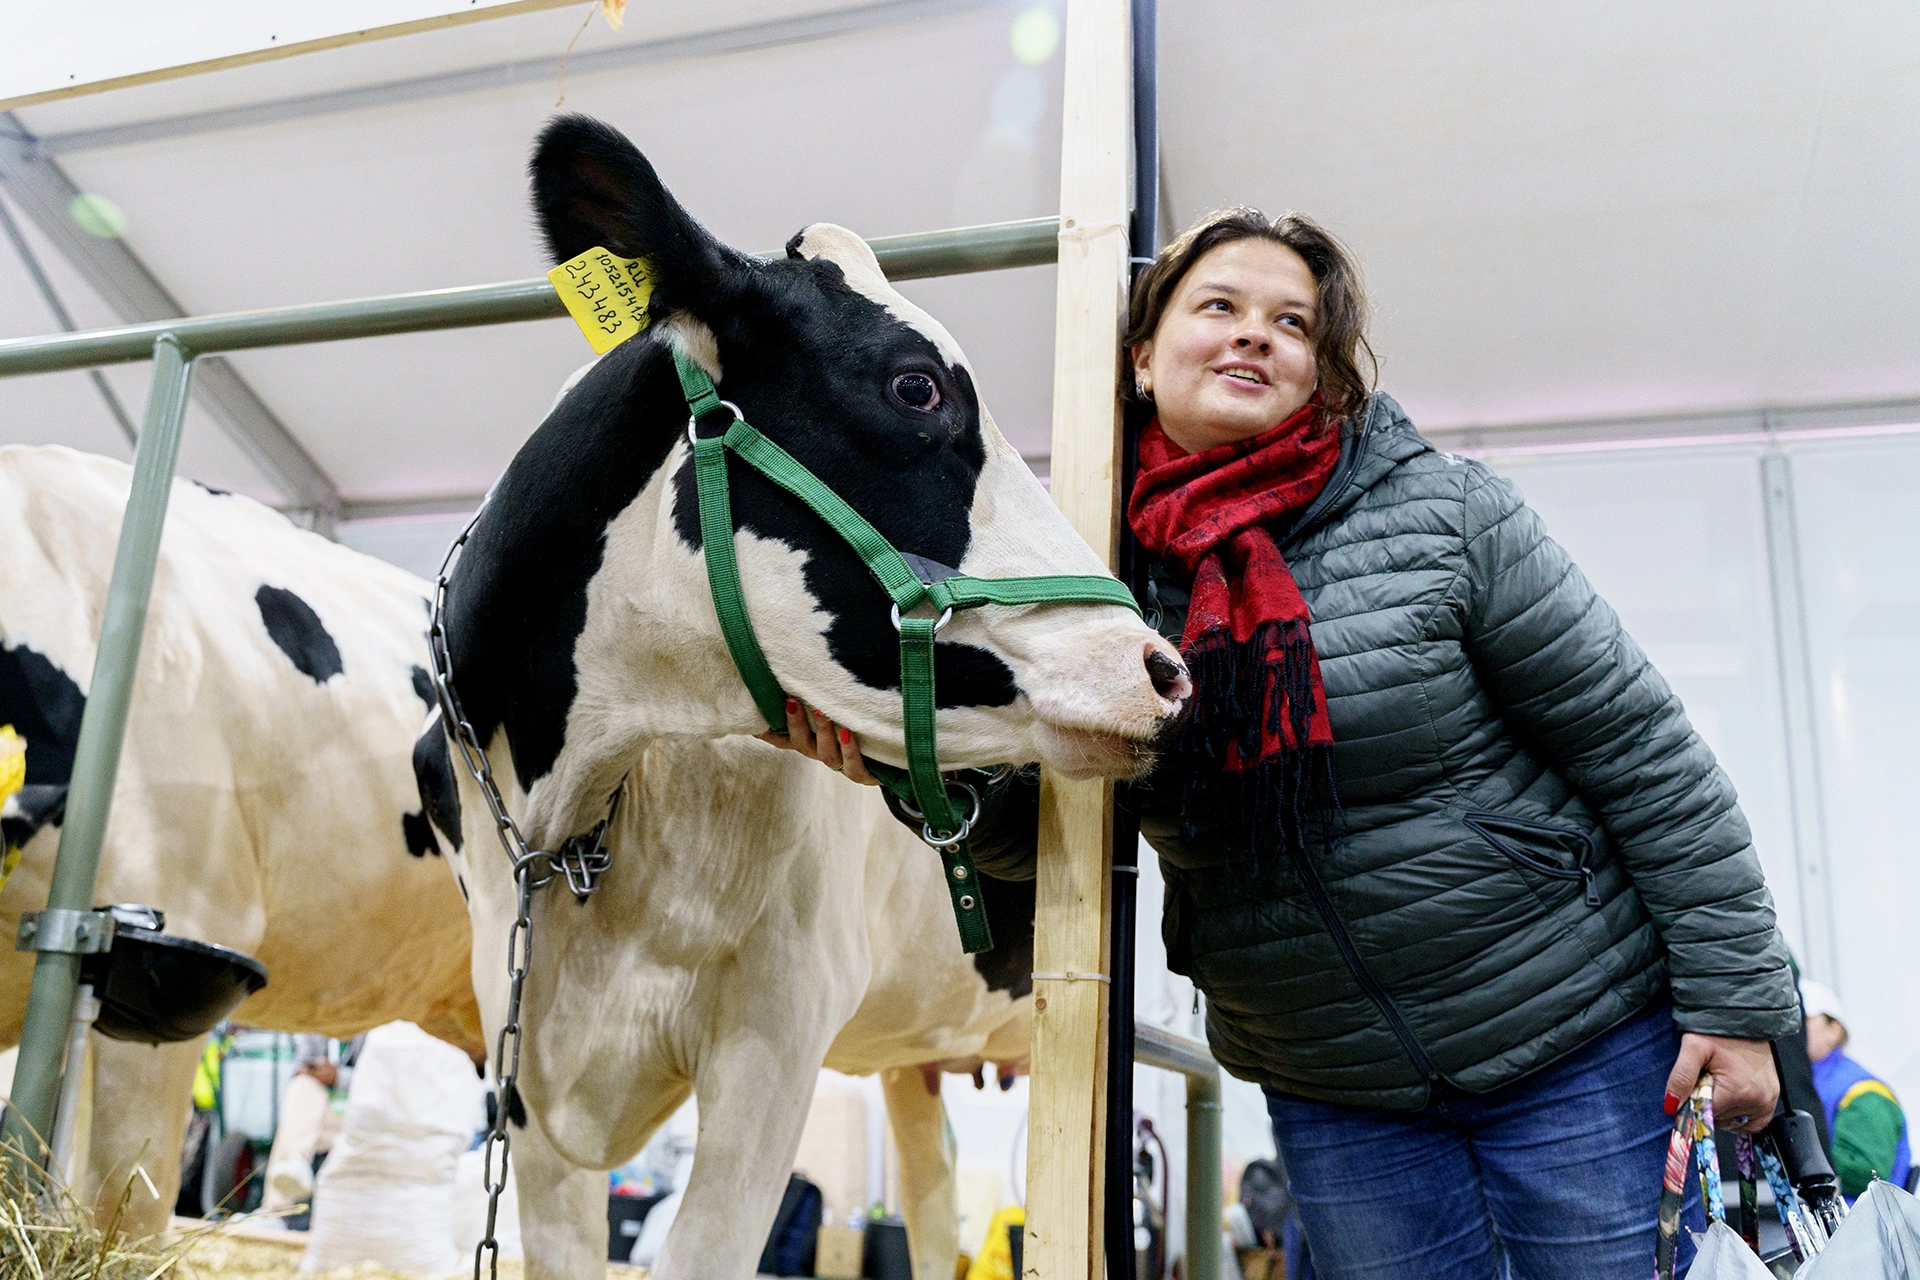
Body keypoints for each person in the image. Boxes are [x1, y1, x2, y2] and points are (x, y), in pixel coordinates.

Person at [768, 207, 1800, 1278]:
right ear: (1139, 355)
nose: (1254, 334)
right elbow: (1050, 835)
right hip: (1336, 1090)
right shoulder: (1090, 585)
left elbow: (1647, 759)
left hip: (1576, 1045)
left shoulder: (1448, 514)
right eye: (1218, 306)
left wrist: (1738, 1003)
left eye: (1291, 322)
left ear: (1324, 373)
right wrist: (911, 765)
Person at [1800, 979, 1910, 1198]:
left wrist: (1794, 1156)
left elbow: (1868, 1172)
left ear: (1835, 1029)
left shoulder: (1864, 1093)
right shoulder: (1800, 1083)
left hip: (1859, 1227)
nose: (1791, 1030)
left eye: (1803, 1019)